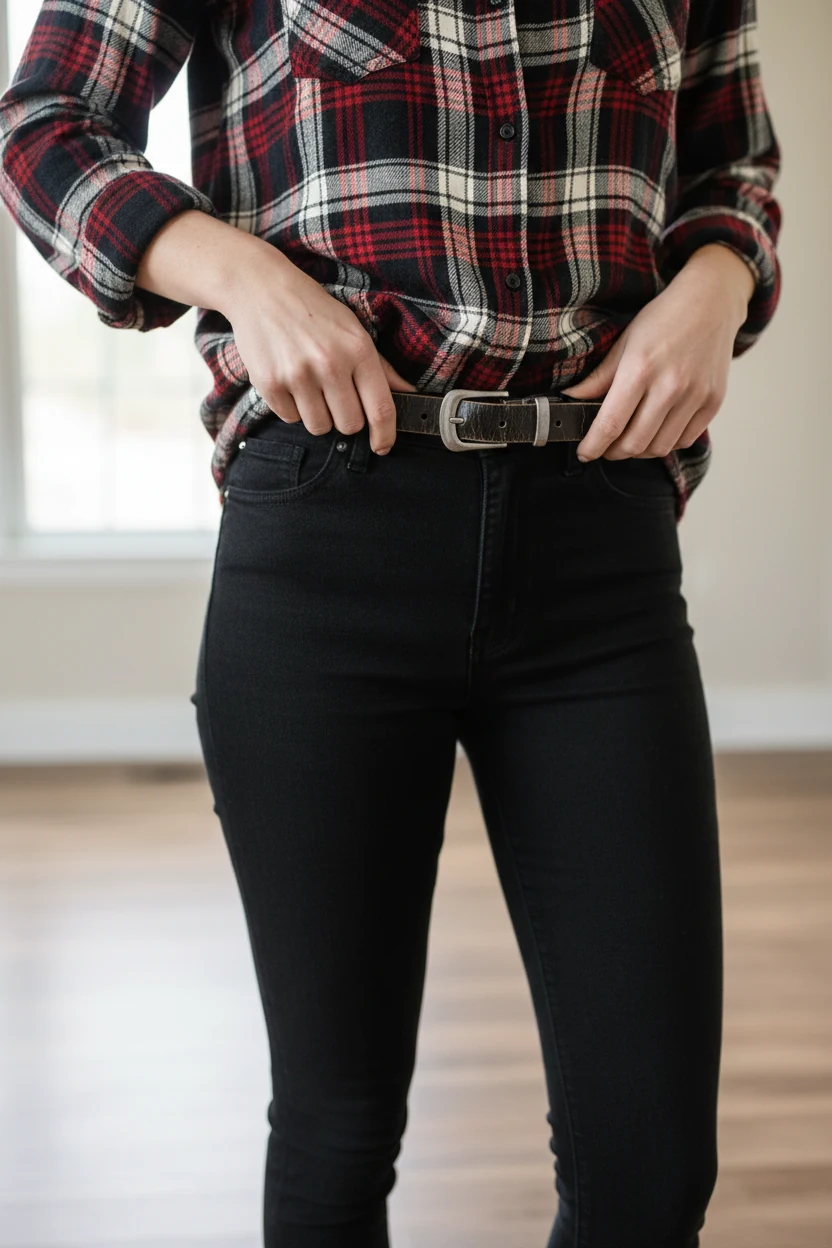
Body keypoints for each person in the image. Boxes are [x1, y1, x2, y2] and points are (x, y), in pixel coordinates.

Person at [0, 1, 782, 1245]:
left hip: (600, 543)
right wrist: (248, 277)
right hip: (327, 531)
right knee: (335, 1126)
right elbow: (44, 127)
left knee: (651, 1162)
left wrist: (716, 283)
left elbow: (733, 160)